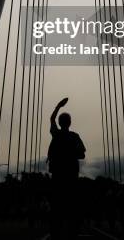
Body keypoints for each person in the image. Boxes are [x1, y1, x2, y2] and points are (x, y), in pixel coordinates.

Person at [47, 98, 85, 238]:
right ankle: (72, 229)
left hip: (57, 175)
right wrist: (72, 153)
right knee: (72, 204)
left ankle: (55, 231)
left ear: (60, 123)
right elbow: (82, 154)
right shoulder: (75, 137)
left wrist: (58, 106)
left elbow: (51, 118)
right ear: (70, 123)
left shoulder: (56, 134)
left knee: (56, 205)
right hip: (71, 176)